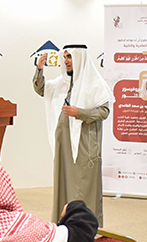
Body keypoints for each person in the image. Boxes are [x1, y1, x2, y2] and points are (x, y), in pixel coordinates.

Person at [34, 43, 109, 225]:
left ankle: (86, 226)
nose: (66, 61)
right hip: (63, 143)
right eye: (65, 57)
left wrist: (79, 113)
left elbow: (104, 111)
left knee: (84, 185)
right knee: (64, 183)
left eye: (70, 57)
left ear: (80, 58)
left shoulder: (94, 83)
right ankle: (64, 224)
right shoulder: (62, 83)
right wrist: (39, 70)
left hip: (84, 143)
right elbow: (42, 89)